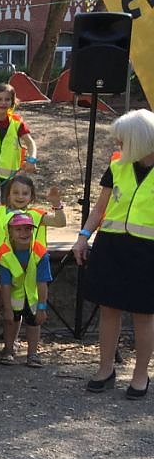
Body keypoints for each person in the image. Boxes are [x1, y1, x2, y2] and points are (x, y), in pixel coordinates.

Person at [75, 108, 154, 399]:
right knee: (108, 310)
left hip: (147, 250)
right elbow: (100, 208)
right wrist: (83, 237)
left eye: (123, 139)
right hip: (111, 246)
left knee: (144, 315)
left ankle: (140, 375)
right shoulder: (117, 165)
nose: (118, 144)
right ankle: (105, 369)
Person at [0, 211, 52, 367]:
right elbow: (5, 283)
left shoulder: (40, 252)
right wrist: (7, 308)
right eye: (18, 229)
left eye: (28, 229)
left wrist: (42, 307)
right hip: (14, 295)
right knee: (11, 321)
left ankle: (32, 354)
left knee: (34, 323)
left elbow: (42, 282)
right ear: (10, 232)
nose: (24, 233)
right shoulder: (4, 253)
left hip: (32, 295)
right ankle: (8, 350)